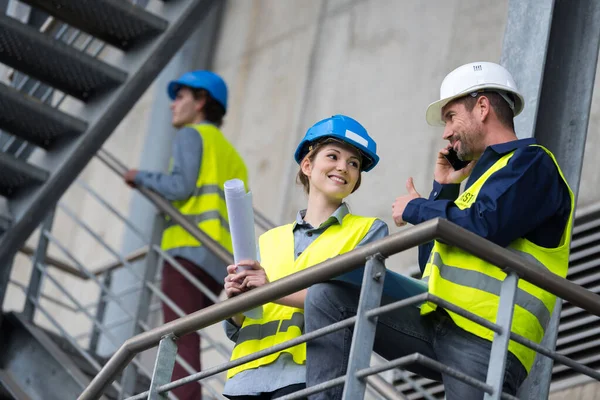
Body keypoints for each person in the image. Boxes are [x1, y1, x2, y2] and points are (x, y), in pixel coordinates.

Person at [305, 62, 574, 399]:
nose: (446, 133)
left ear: (482, 107)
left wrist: (417, 208)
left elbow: (485, 225)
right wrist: (444, 188)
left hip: (488, 337)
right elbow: (432, 258)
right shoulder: (475, 187)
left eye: (450, 117)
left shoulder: (533, 163)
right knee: (329, 297)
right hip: (436, 322)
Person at [221, 115, 389, 399]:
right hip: (245, 379)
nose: (343, 167)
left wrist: (269, 290)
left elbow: (347, 300)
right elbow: (238, 325)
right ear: (307, 165)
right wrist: (237, 298)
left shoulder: (368, 230)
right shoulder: (269, 239)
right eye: (333, 156)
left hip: (309, 377)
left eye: (354, 163)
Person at [124, 70, 249, 400]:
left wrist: (142, 177)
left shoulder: (192, 137)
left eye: (180, 97)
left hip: (187, 253)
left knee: (178, 337)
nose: (172, 105)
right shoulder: (233, 156)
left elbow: (180, 187)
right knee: (187, 334)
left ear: (201, 101)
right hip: (217, 262)